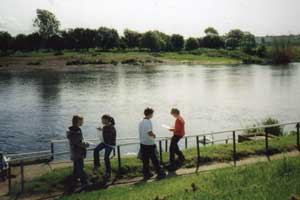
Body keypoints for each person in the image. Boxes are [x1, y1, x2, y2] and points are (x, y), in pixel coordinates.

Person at [139, 107, 166, 180]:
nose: (152, 115)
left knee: (145, 160)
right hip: (149, 143)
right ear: (150, 114)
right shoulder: (148, 121)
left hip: (143, 143)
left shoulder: (141, 121)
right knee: (155, 159)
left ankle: (146, 173)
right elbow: (149, 132)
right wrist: (154, 135)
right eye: (152, 114)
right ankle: (160, 173)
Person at [67, 115, 89, 186]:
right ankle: (85, 183)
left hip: (75, 152)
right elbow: (78, 143)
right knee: (81, 168)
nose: (83, 122)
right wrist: (86, 144)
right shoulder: (76, 131)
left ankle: (75, 179)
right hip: (78, 152)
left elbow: (76, 141)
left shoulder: (72, 130)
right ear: (78, 122)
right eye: (82, 121)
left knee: (76, 167)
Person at [93, 114, 116, 179]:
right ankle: (97, 165)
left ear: (106, 120)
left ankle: (108, 172)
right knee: (96, 150)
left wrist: (102, 132)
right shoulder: (105, 127)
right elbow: (104, 135)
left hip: (110, 144)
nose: (101, 121)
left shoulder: (112, 127)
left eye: (102, 120)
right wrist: (101, 131)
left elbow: (109, 137)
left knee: (106, 157)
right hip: (105, 142)